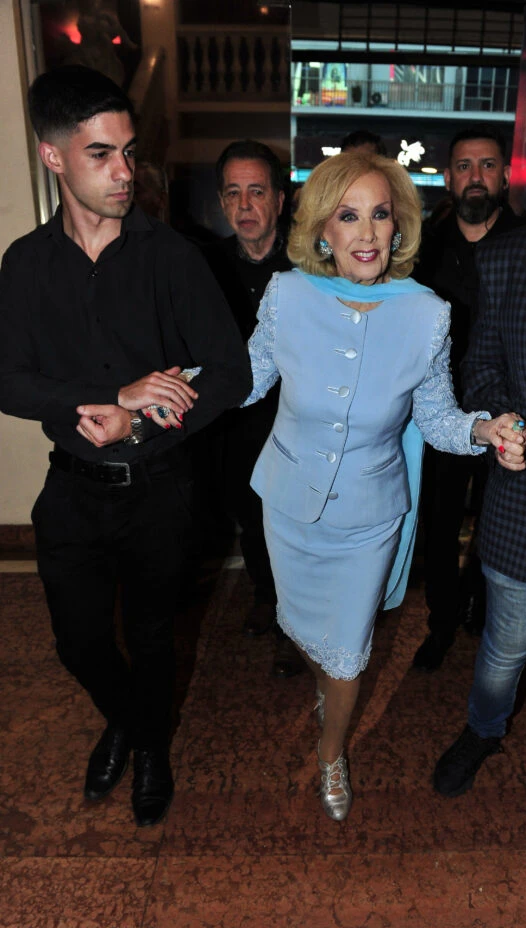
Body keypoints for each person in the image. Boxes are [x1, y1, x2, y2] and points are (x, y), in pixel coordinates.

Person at [242, 150, 526, 822]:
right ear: (322, 230)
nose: (367, 233)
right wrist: (167, 390)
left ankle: (330, 751)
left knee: (347, 657)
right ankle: (328, 691)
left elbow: (437, 419)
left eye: (379, 215)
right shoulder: (287, 296)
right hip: (289, 506)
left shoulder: (426, 314)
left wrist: (483, 429)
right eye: (348, 216)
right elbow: (244, 380)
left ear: (398, 227)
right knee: (306, 635)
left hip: (369, 518)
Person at [0, 65, 251, 828]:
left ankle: (148, 752)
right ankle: (135, 724)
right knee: (77, 643)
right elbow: (8, 381)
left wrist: (136, 421)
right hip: (71, 489)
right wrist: (113, 394)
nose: (123, 171)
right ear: (52, 156)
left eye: (129, 152)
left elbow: (231, 375)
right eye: (100, 154)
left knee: (151, 637)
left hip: (159, 490)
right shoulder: (25, 263)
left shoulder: (171, 257)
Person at [433, 214, 526, 852]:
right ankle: (483, 730)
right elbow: (481, 368)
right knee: (506, 651)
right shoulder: (507, 258)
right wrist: (505, 424)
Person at [412, 126, 526, 671]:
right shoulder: (424, 249)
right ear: (447, 177)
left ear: (505, 175)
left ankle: (482, 609)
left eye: (486, 165)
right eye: (464, 166)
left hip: (513, 411)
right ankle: (440, 620)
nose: (475, 176)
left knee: (498, 519)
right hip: (443, 413)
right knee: (438, 521)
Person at [202, 139, 304, 678]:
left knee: (295, 527)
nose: (245, 205)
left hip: (298, 424)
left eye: (257, 192)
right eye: (233, 193)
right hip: (235, 424)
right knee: (250, 519)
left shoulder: (310, 265)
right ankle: (266, 594)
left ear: (280, 201)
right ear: (222, 201)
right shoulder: (205, 267)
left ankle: (295, 624)